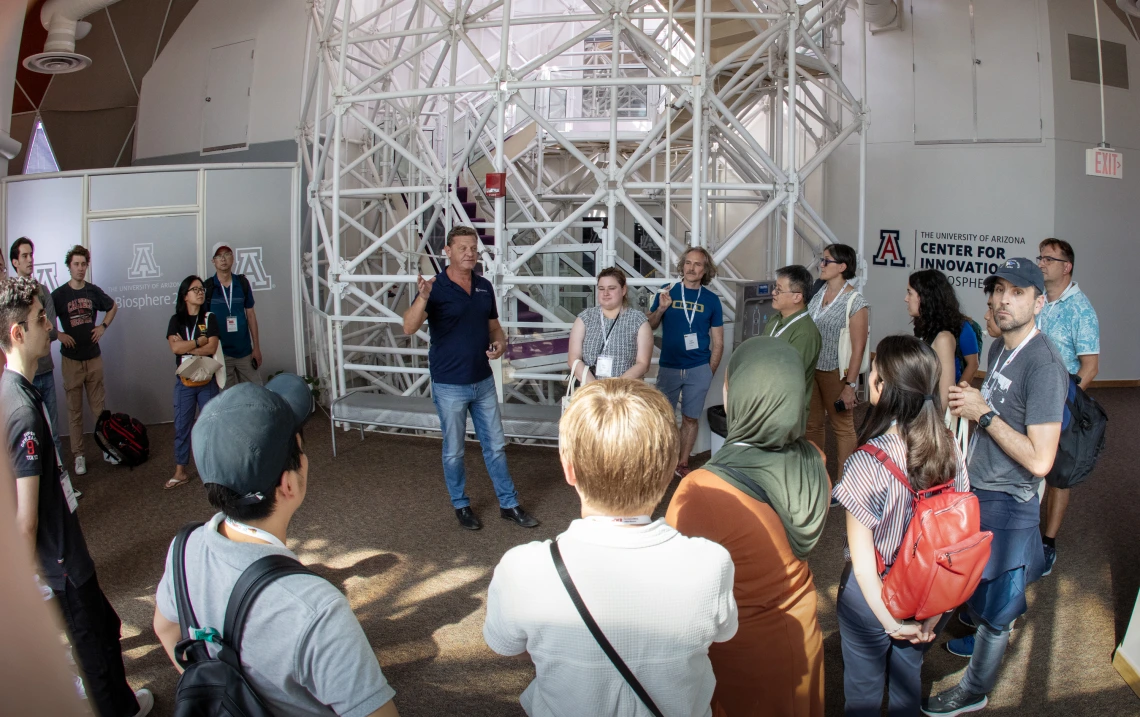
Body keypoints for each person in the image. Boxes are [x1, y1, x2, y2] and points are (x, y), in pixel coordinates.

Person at [484, 378, 738, 717]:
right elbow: (721, 636)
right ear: (667, 472)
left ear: (569, 469)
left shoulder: (523, 569)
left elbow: (508, 646)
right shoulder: (710, 563)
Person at [152, 376, 400, 717]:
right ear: (288, 485)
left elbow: (165, 628)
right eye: (300, 447)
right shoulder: (316, 608)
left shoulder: (184, 549)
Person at [1, 275, 153, 717]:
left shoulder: (21, 392)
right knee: (96, 655)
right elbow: (25, 518)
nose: (49, 325)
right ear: (17, 333)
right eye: (39, 319)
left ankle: (124, 704)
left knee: (104, 627)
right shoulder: (22, 411)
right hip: (60, 565)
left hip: (68, 554)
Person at [923, 258, 1068, 716]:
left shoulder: (1044, 366)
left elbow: (1041, 460)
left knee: (999, 607)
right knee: (973, 585)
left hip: (1010, 500)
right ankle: (977, 627)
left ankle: (976, 689)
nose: (1003, 299)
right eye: (998, 290)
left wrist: (983, 413)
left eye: (1017, 292)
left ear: (1038, 301)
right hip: (980, 487)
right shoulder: (999, 349)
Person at [667, 338, 829, 716]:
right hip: (802, 638)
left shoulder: (704, 490)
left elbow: (679, 598)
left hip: (740, 663)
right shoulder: (815, 461)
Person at [833, 335, 969, 716]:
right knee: (908, 681)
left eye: (872, 374)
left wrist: (891, 624)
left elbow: (862, 566)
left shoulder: (868, 461)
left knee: (863, 690)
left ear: (883, 388)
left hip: (873, 597)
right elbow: (958, 537)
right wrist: (933, 614)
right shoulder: (950, 447)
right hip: (930, 591)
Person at [402, 225, 539, 531]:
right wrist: (423, 297)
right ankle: (461, 506)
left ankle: (509, 504)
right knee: (453, 450)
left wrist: (501, 345)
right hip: (449, 383)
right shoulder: (434, 287)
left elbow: (494, 327)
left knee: (496, 446)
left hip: (483, 380)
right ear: (447, 252)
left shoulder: (484, 287)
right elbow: (408, 327)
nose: (469, 253)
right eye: (462, 248)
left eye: (473, 248)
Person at [1035, 238, 1099, 575]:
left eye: (1049, 258)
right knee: (1027, 466)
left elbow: (1090, 367)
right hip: (1028, 397)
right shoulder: (1037, 299)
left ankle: (1048, 542)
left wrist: (1065, 403)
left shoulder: (1081, 309)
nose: (1041, 263)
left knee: (1059, 476)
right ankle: (1025, 531)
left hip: (1060, 403)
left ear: (1066, 266)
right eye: (1040, 257)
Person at [647, 247, 724, 478]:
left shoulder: (711, 300)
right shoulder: (667, 292)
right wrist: (661, 308)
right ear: (682, 266)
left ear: (705, 270)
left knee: (691, 418)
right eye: (688, 263)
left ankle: (682, 462)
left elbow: (718, 342)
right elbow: (649, 325)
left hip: (698, 368)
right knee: (663, 417)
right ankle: (663, 461)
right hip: (669, 366)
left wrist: (708, 372)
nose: (692, 268)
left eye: (698, 264)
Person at [51, 245, 119, 476]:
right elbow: (44, 319)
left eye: (83, 264)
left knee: (99, 409)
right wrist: (58, 334)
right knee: (74, 411)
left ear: (87, 266)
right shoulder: (59, 295)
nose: (80, 268)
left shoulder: (92, 291)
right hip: (71, 360)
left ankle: (105, 448)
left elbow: (112, 306)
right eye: (76, 264)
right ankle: (79, 455)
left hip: (93, 357)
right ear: (69, 267)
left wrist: (103, 326)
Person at [806, 243, 869, 481]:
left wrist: (850, 386)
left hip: (836, 372)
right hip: (812, 370)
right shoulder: (817, 293)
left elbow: (858, 347)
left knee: (842, 428)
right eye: (821, 260)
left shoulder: (855, 301)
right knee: (812, 426)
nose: (821, 265)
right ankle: (816, 479)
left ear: (842, 266)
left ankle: (846, 483)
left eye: (826, 261)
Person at [164, 276, 221, 490]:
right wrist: (197, 342)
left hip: (207, 380)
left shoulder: (209, 317)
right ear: (184, 295)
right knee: (182, 425)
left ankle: (214, 469)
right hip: (185, 382)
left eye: (201, 289)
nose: (200, 292)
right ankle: (181, 471)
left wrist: (186, 346)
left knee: (210, 425)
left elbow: (212, 348)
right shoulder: (176, 320)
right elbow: (174, 349)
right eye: (194, 289)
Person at [10, 237, 63, 457]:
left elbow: (51, 330)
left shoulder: (43, 291)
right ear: (15, 262)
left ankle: (62, 486)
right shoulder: (11, 295)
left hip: (45, 370)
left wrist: (36, 331)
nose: (30, 259)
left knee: (53, 433)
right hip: (24, 376)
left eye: (31, 255)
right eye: (25, 256)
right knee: (28, 435)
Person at [569, 266, 652, 384]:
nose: (605, 293)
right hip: (590, 390)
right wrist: (594, 387)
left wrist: (614, 387)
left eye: (611, 288)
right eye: (601, 289)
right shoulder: (585, 318)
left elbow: (643, 364)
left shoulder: (638, 320)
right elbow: (574, 359)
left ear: (623, 290)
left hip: (625, 391)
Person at [203, 244, 263, 388]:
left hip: (244, 351)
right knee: (226, 399)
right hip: (220, 354)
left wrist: (256, 347)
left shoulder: (242, 283)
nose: (223, 259)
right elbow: (203, 321)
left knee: (254, 393)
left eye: (227, 254)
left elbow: (251, 315)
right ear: (213, 261)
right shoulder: (208, 287)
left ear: (233, 258)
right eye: (219, 256)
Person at [765, 264, 822, 411]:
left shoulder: (806, 333)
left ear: (797, 297)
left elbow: (790, 377)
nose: (773, 292)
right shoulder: (775, 320)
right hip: (766, 401)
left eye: (779, 289)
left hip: (784, 410)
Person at [904, 269, 962, 409]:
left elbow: (944, 394)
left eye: (910, 293)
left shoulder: (943, 339)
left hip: (929, 421)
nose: (906, 298)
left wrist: (931, 427)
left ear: (925, 297)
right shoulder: (925, 331)